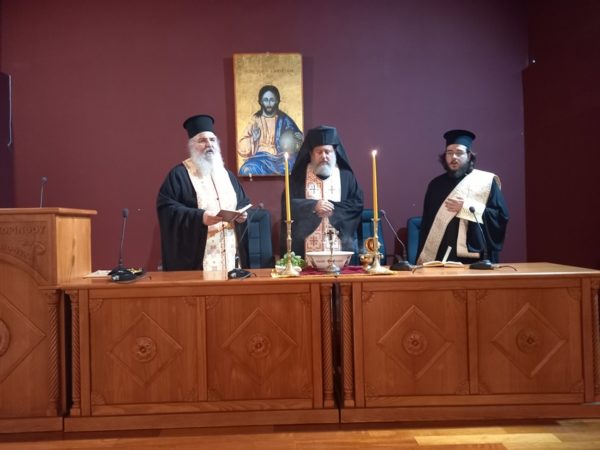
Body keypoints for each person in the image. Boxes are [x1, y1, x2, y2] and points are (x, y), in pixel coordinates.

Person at [157, 114, 251, 271]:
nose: (209, 144)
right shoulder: (179, 175)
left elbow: (243, 202)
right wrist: (200, 218)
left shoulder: (227, 175)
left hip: (231, 259)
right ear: (192, 145)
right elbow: (167, 210)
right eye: (202, 140)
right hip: (197, 262)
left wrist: (243, 215)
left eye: (212, 140)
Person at [417, 129, 509, 265]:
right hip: (441, 258)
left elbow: (500, 217)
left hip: (476, 260)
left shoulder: (485, 182)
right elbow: (427, 225)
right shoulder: (435, 185)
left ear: (469, 155)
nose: (453, 157)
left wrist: (467, 208)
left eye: (459, 153)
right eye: (449, 153)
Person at [282, 125, 364, 258]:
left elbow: (357, 204)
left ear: (334, 152)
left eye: (327, 151)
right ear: (311, 154)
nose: (324, 156)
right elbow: (287, 205)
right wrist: (313, 206)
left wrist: (334, 210)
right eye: (319, 152)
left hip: (340, 247)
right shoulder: (299, 176)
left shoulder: (346, 176)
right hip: (305, 250)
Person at [238, 85, 303, 176]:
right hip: (259, 159)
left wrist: (298, 137)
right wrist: (253, 139)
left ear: (277, 101)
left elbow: (297, 135)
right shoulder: (255, 120)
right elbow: (241, 147)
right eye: (265, 100)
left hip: (280, 158)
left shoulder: (284, 119)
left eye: (272, 100)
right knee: (246, 170)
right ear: (260, 102)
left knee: (294, 167)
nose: (268, 103)